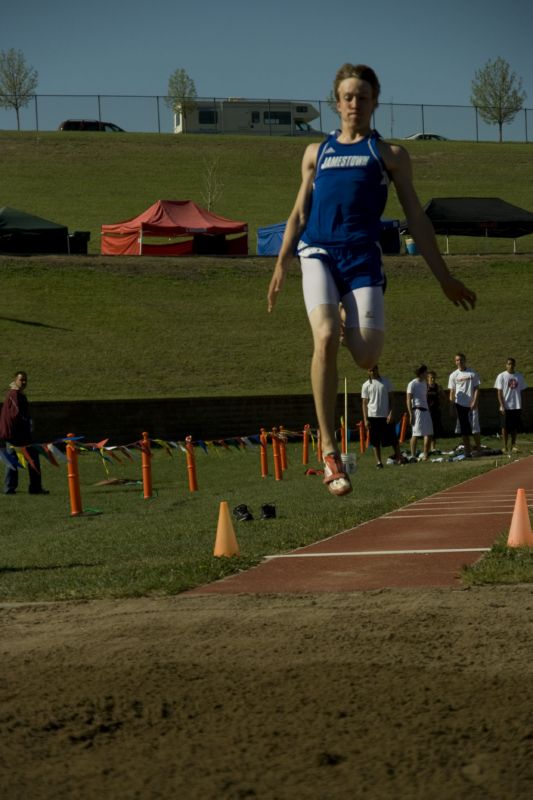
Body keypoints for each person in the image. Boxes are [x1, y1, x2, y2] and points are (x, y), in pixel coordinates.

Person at [267, 62, 476, 496]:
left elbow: (416, 219)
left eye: (363, 97)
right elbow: (299, 213)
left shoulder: (390, 155)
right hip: (319, 251)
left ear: (375, 102)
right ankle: (329, 450)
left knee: (366, 357)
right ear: (336, 103)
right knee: (323, 338)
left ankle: (348, 320)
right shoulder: (315, 152)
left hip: (364, 258)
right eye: (347, 97)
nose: (354, 104)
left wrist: (443, 276)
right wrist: (281, 263)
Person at [0, 371, 48, 495]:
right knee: (32, 459)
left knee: (12, 461)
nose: (24, 382)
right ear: (15, 380)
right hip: (18, 436)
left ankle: (9, 488)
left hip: (13, 435)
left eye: (25, 380)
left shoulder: (13, 394)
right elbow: (18, 415)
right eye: (21, 380)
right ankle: (34, 488)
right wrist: (27, 424)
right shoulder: (15, 395)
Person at [361, 365, 405, 468]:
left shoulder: (386, 382)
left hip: (386, 416)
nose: (372, 372)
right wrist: (365, 419)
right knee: (375, 441)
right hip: (373, 416)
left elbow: (392, 399)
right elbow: (364, 403)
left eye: (374, 369)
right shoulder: (366, 385)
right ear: (368, 372)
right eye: (370, 370)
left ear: (377, 369)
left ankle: (399, 458)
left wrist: (391, 413)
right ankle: (379, 462)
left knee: (393, 439)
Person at [448, 353, 481, 456]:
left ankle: (479, 449)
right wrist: (451, 406)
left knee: (475, 429)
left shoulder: (472, 373)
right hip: (460, 405)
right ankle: (467, 451)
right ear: (455, 362)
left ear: (465, 360)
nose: (459, 362)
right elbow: (452, 392)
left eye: (461, 360)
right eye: (457, 360)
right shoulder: (453, 375)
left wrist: (474, 401)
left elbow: (476, 389)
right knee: (464, 430)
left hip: (472, 405)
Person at [494, 358, 527, 452]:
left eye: (512, 364)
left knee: (514, 427)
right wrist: (502, 405)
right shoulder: (501, 376)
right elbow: (499, 392)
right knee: (504, 427)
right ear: (506, 365)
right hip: (505, 406)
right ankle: (505, 446)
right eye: (509, 364)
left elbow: (522, 391)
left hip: (516, 405)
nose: (510, 365)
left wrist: (522, 404)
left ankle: (513, 445)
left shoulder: (519, 376)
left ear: (515, 365)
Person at [406, 365, 433, 461]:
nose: (427, 374)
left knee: (429, 433)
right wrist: (410, 414)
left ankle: (426, 455)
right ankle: (413, 455)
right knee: (416, 434)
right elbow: (408, 399)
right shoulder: (412, 384)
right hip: (417, 410)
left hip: (426, 410)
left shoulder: (424, 383)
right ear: (421, 373)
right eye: (426, 372)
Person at [426, 370, 445, 452]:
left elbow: (444, 397)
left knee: (434, 430)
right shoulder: (425, 387)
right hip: (427, 411)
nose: (433, 379)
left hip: (435, 411)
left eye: (434, 377)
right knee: (427, 430)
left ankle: (433, 448)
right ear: (428, 378)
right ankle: (426, 448)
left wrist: (441, 406)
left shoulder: (438, 387)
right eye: (431, 378)